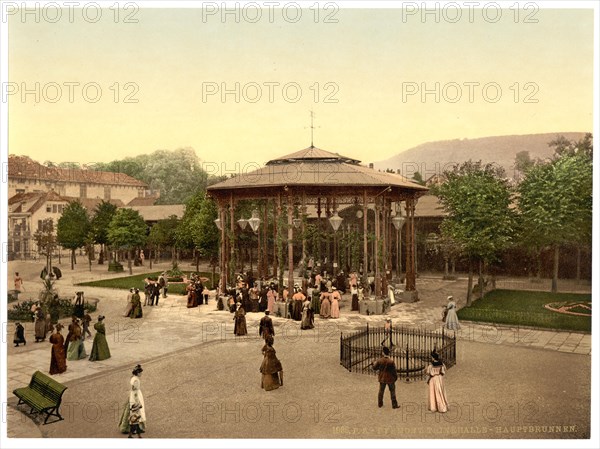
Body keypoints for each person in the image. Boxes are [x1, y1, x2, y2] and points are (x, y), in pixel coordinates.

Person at [119, 364, 146, 435]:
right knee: (136, 412)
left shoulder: (133, 378)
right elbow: (135, 391)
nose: (141, 374)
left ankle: (136, 427)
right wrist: (137, 401)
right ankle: (134, 428)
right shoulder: (136, 380)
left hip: (132, 396)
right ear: (138, 373)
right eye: (140, 373)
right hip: (135, 396)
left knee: (133, 412)